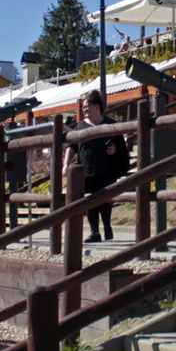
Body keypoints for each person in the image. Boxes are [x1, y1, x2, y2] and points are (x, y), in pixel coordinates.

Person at [66, 90, 128, 243]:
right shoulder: (80, 126)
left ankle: (107, 227)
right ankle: (94, 231)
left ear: (97, 107)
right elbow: (71, 147)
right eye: (83, 108)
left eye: (87, 107)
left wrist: (115, 150)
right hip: (86, 169)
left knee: (105, 199)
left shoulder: (110, 124)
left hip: (106, 168)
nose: (84, 110)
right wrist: (65, 164)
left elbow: (121, 145)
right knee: (89, 201)